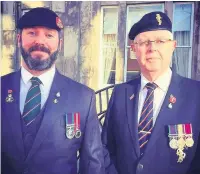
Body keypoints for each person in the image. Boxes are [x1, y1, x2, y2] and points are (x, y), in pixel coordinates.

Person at [1, 7, 105, 174]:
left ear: (60, 44)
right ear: (18, 39)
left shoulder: (84, 98)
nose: (40, 42)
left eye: (49, 35)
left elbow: (93, 165)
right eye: (32, 33)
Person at [102, 11, 200, 174]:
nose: (152, 48)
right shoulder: (120, 93)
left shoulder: (196, 95)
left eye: (161, 41)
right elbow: (105, 146)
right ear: (134, 49)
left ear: (173, 45)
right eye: (144, 42)